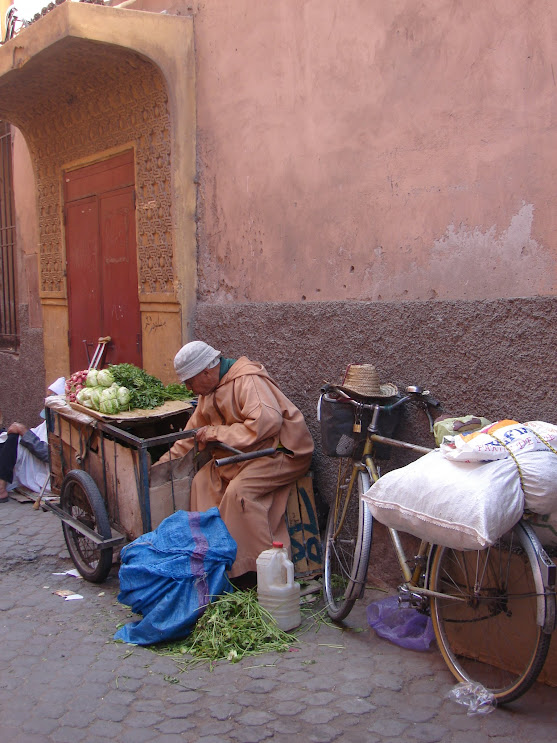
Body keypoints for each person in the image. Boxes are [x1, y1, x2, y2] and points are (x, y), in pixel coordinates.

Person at [158, 341, 314, 583]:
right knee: (202, 481)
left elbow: (267, 423)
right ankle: (213, 557)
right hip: (245, 454)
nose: (189, 389)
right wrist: (160, 467)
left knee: (240, 493)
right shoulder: (208, 393)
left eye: (190, 382)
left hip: (281, 451)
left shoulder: (247, 380)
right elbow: (190, 437)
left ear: (207, 372)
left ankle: (254, 571)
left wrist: (217, 433)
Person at [0, 377, 66, 502]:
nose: (46, 400)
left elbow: (50, 454)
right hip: (28, 450)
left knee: (13, 437)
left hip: (42, 468)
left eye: (51, 397)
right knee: (5, 437)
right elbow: (38, 433)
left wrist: (24, 433)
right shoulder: (49, 421)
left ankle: (1, 488)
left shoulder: (63, 427)